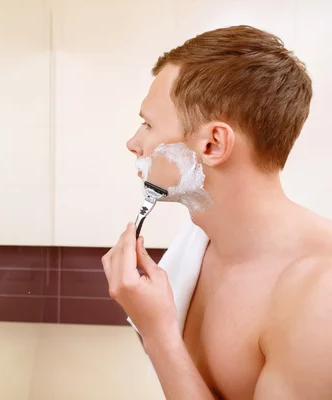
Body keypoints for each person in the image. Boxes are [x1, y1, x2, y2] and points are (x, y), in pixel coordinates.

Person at [102, 25, 332, 399]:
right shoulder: (201, 243)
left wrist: (159, 334)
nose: (134, 142)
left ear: (212, 144)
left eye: (148, 123)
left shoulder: (320, 294)